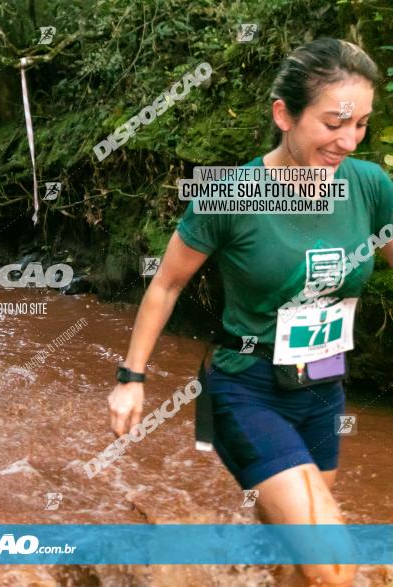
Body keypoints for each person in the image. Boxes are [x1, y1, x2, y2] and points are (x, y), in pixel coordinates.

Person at [106, 38, 392, 586]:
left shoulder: (370, 186)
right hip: (247, 386)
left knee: (301, 563)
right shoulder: (231, 196)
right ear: (284, 114)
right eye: (334, 123)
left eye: (361, 125)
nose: (348, 141)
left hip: (325, 386)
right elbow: (166, 285)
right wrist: (131, 378)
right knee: (333, 565)